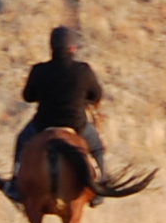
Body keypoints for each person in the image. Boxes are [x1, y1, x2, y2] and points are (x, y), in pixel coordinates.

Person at [18, 26, 106, 176]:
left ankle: (15, 180)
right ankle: (103, 180)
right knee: (97, 147)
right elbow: (96, 95)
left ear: (52, 47)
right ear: (73, 48)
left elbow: (28, 96)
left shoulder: (39, 70)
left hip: (43, 124)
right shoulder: (83, 70)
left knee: (21, 141)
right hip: (76, 124)